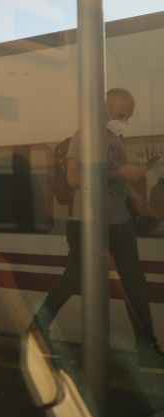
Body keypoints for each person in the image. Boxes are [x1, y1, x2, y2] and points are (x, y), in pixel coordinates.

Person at [30, 88, 164, 373]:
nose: (124, 121)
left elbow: (115, 176)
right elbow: (75, 177)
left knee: (134, 283)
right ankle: (35, 334)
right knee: (72, 280)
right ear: (105, 109)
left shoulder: (116, 138)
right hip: (88, 223)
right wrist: (121, 173)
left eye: (129, 117)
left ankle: (146, 349)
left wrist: (136, 197)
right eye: (120, 115)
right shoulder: (85, 135)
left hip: (119, 222)